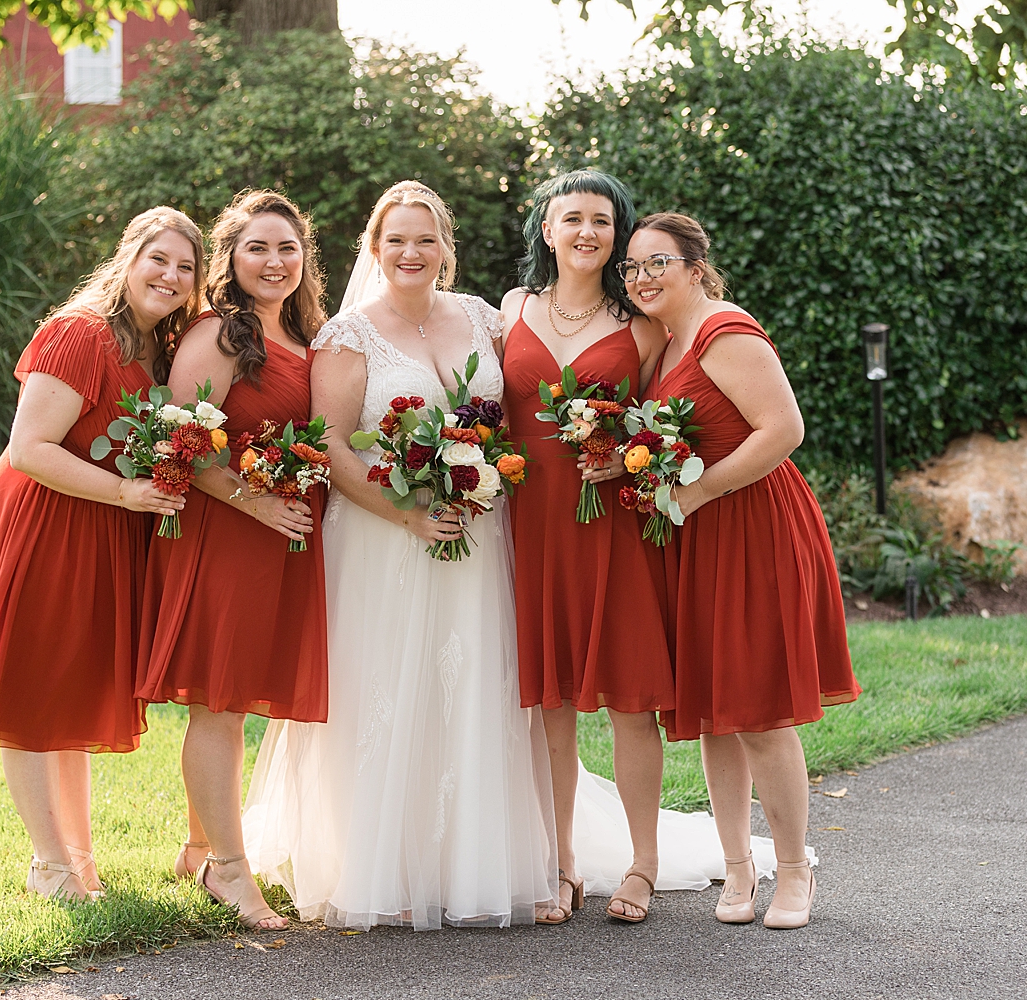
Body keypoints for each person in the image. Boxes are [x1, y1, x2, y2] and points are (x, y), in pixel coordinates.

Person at [242, 180, 561, 930]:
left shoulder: (486, 319)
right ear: (375, 249)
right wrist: (408, 515)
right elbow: (328, 447)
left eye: (425, 239)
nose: (411, 252)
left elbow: (509, 421)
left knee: (473, 681)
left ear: (445, 246)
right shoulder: (350, 336)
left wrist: (482, 477)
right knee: (385, 685)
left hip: (476, 537)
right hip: (383, 540)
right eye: (396, 240)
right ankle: (381, 864)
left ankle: (478, 861)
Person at [0, 207, 203, 901]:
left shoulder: (157, 348)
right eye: (159, 260)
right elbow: (28, 450)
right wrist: (125, 494)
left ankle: (76, 860)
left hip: (101, 524)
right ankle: (50, 864)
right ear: (128, 258)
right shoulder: (79, 333)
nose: (171, 277)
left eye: (186, 268)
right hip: (44, 518)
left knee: (71, 690)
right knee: (32, 688)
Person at [630, 212, 861, 929]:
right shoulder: (663, 346)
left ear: (696, 269)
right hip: (697, 539)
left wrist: (694, 492)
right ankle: (738, 870)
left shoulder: (724, 330)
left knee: (759, 713)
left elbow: (784, 430)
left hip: (752, 528)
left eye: (656, 263)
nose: (641, 278)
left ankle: (793, 872)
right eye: (631, 268)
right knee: (713, 717)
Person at [137, 191, 328, 931]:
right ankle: (229, 868)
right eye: (257, 248)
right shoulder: (216, 334)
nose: (274, 262)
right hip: (226, 535)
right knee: (218, 705)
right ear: (231, 259)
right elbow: (180, 443)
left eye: (286, 248)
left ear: (303, 256)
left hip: (279, 538)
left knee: (238, 701)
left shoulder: (307, 334)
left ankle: (197, 846)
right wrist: (254, 503)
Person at [499, 169, 673, 923]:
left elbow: (670, 416)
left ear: (619, 234)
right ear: (547, 228)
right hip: (528, 526)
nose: (586, 233)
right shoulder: (511, 310)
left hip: (609, 525)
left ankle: (643, 865)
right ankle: (561, 863)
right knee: (550, 705)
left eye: (602, 221)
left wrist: (629, 445)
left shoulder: (642, 324)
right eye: (572, 218)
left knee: (632, 705)